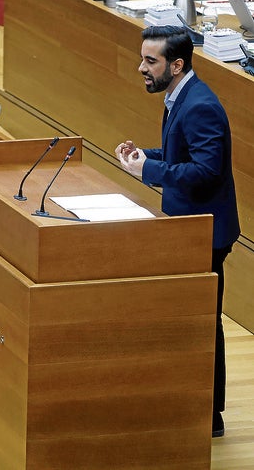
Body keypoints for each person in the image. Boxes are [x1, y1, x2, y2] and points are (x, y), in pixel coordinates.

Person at [115, 25, 240, 438]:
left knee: (204, 321)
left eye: (150, 61)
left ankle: (211, 416)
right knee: (191, 318)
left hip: (204, 233)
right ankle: (193, 403)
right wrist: (144, 156)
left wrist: (148, 170)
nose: (141, 68)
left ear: (177, 64)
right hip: (187, 227)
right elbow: (180, 154)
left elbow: (206, 172)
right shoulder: (178, 96)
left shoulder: (200, 105)